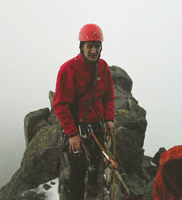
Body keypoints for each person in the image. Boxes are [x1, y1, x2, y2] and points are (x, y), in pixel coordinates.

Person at [53, 24, 115, 200]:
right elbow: (60, 105)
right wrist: (72, 135)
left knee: (96, 157)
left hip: (96, 123)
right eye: (89, 46)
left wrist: (109, 119)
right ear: (81, 46)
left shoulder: (103, 68)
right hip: (76, 126)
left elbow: (109, 95)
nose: (93, 50)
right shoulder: (68, 69)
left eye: (97, 46)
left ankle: (93, 184)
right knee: (78, 167)